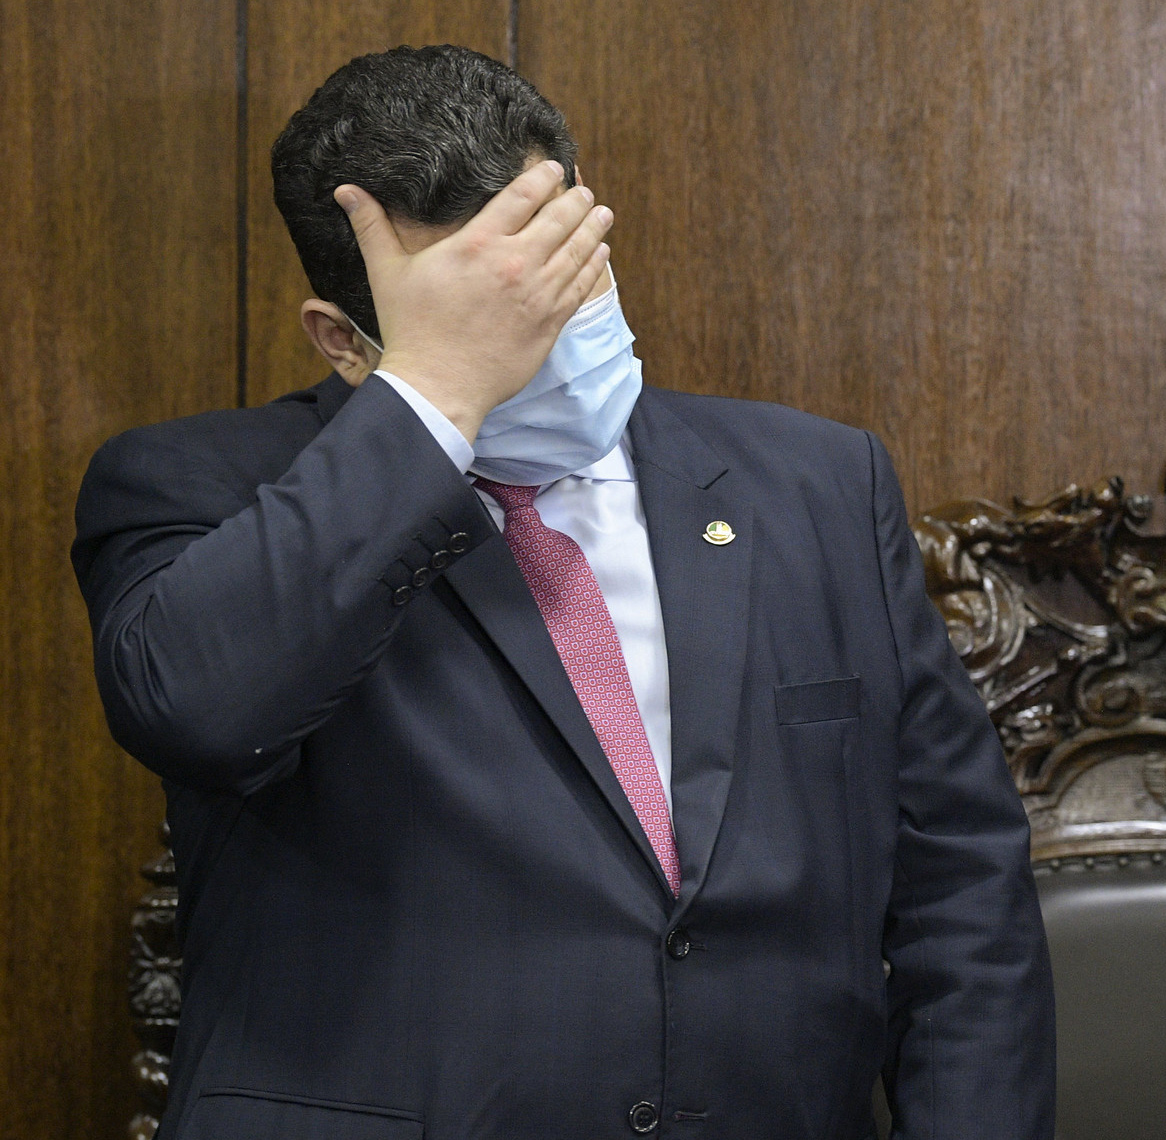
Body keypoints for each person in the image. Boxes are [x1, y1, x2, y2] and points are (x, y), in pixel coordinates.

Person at [73, 45, 1052, 1139]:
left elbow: (961, 892)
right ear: (344, 341)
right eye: (488, 314)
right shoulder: (197, 488)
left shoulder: (818, 484)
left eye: (561, 276)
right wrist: (435, 395)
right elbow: (199, 711)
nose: (541, 333)